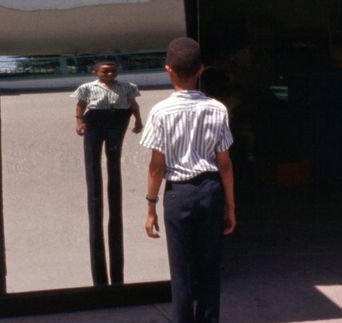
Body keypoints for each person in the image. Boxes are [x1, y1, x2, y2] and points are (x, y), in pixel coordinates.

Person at [140, 37, 236, 323]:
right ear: (201, 70)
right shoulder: (217, 109)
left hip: (177, 195)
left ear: (168, 70)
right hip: (210, 191)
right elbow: (225, 164)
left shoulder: (160, 111)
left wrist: (150, 206)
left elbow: (157, 167)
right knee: (209, 269)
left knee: (180, 272)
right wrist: (230, 206)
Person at [71, 60, 143, 286]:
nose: (109, 73)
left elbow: (133, 106)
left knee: (113, 159)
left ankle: (113, 182)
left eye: (112, 70)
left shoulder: (127, 87)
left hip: (118, 120)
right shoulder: (87, 88)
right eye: (104, 71)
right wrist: (79, 122)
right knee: (93, 162)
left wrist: (138, 121)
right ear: (95, 72)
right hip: (96, 121)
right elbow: (81, 106)